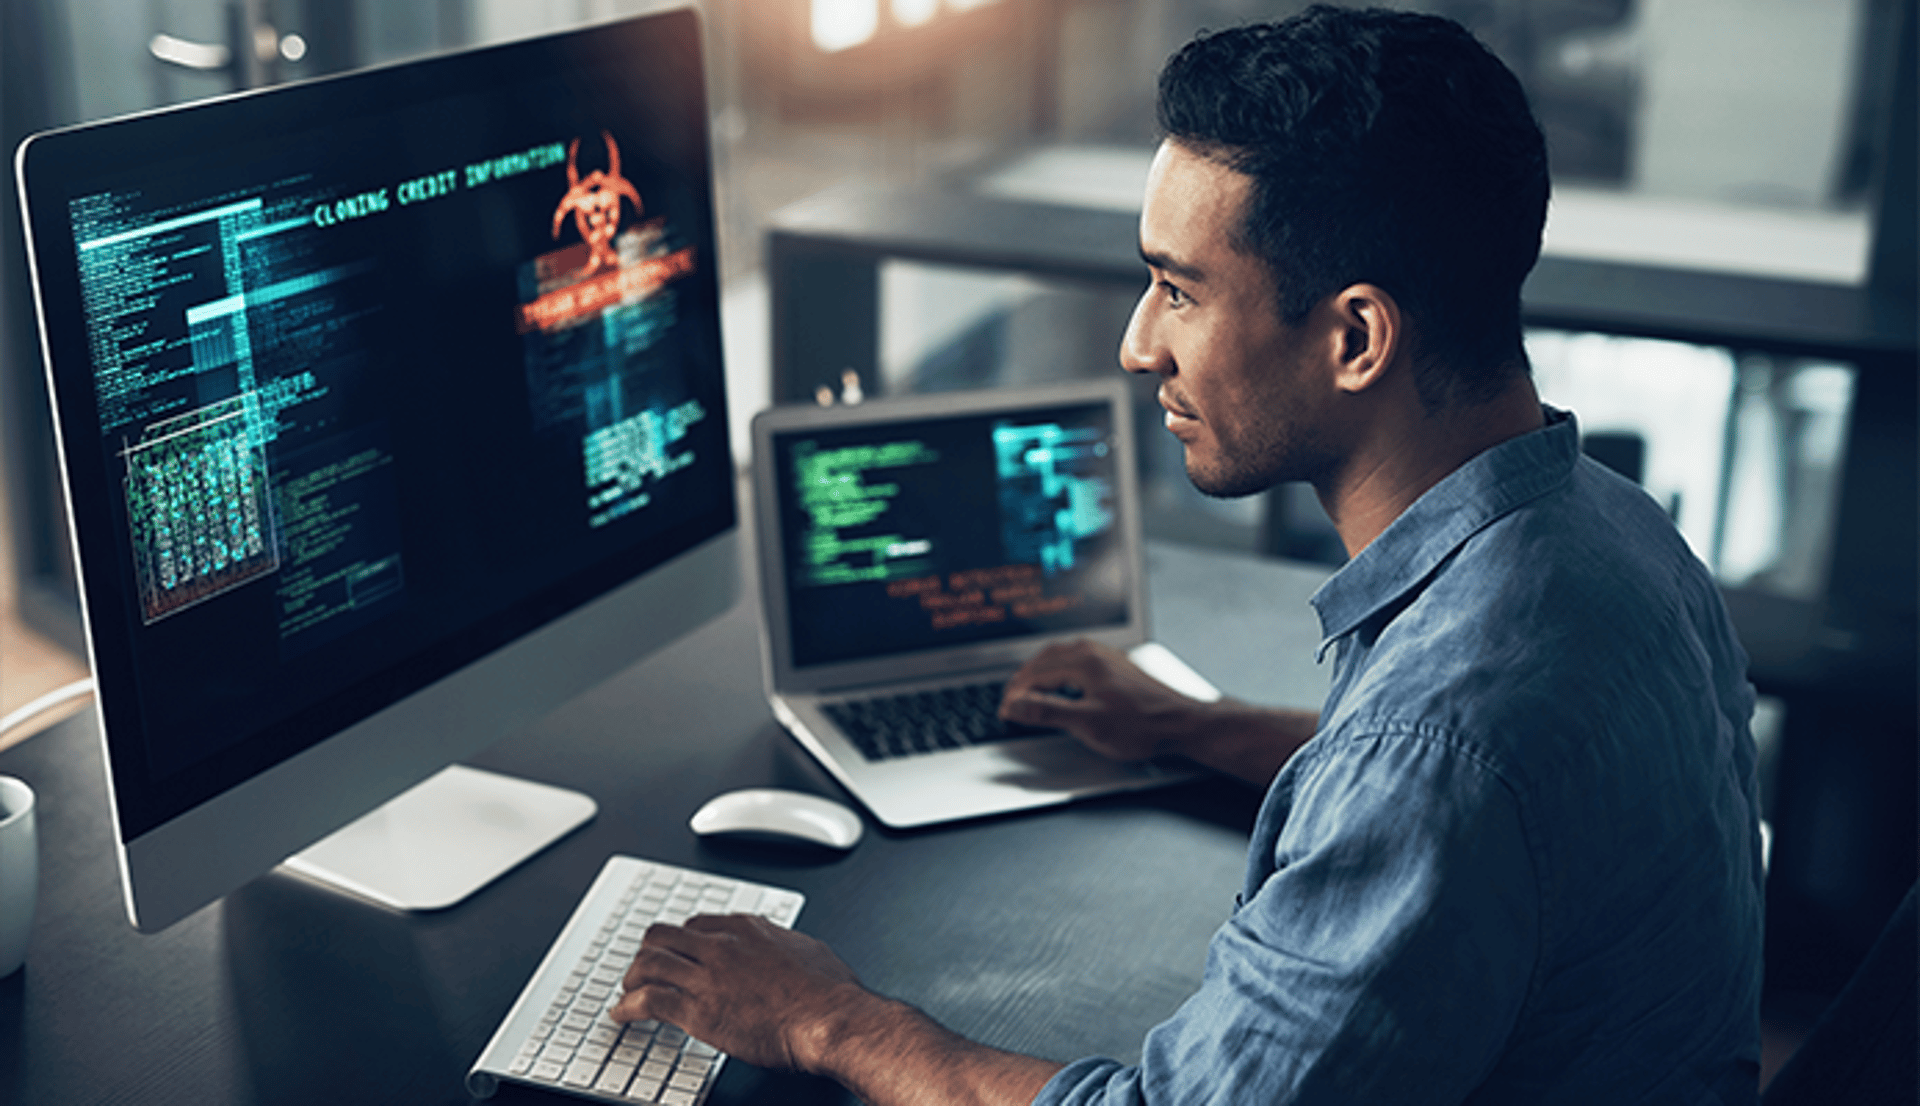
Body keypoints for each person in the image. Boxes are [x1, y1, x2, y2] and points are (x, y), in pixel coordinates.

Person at [613, 7, 1766, 1103]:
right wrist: (1187, 725)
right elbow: (1462, 791)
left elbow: (1432, 778)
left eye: (1178, 290)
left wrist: (834, 1018)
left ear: (1356, 336)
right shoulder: (1613, 528)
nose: (1136, 344)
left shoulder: (1438, 755)